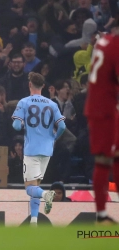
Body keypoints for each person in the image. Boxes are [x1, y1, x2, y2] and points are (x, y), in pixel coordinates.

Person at [12, 72, 66, 226]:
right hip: (47, 150)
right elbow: (62, 126)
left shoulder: (24, 102)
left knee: (30, 189)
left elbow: (16, 126)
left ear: (30, 84)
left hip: (31, 150)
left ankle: (47, 194)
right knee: (35, 185)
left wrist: (22, 124)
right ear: (43, 86)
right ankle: (34, 222)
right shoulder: (52, 104)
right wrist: (54, 138)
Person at [84, 19, 119, 225]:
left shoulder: (104, 41)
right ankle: (101, 216)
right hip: (103, 110)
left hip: (104, 106)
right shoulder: (116, 48)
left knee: (115, 156)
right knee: (104, 159)